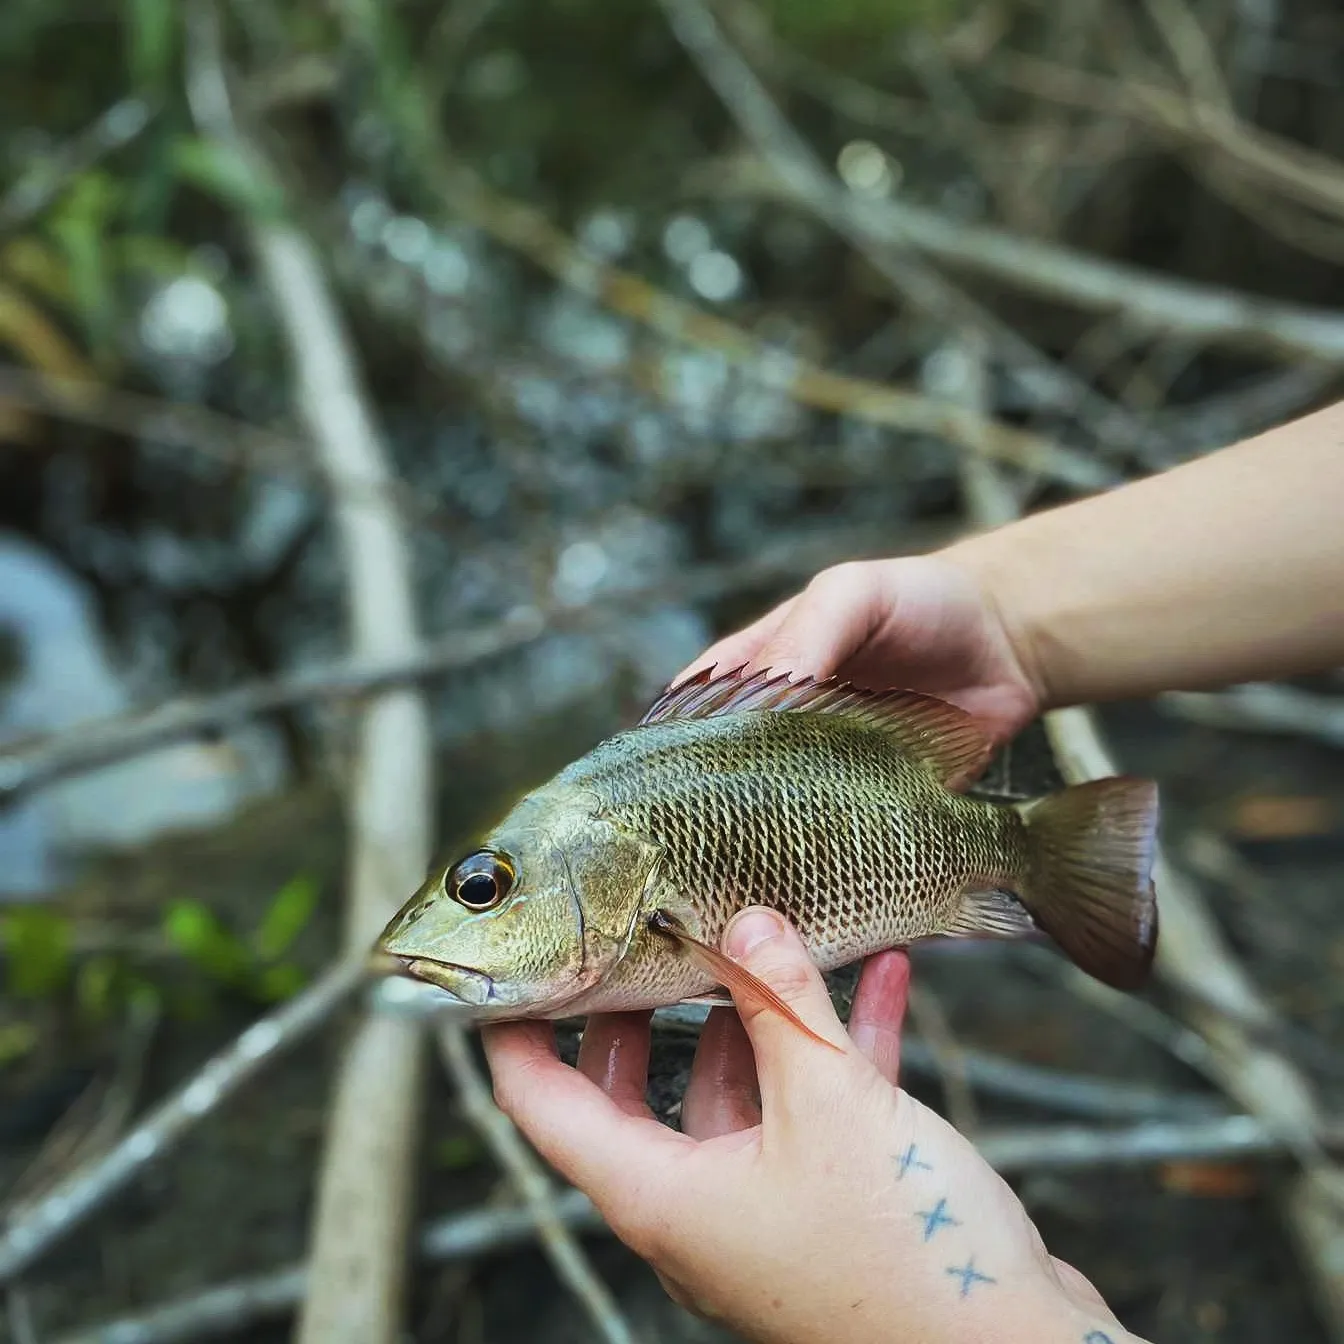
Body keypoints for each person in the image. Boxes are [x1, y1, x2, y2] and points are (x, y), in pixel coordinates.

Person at [481, 399, 1344, 1344]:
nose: (473, 910)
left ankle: (1039, 843)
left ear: (593, 869)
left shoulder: (597, 814)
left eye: (486, 886)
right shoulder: (595, 814)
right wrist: (1003, 618)